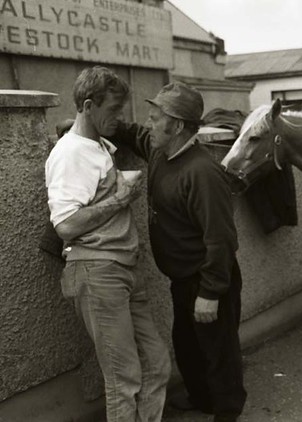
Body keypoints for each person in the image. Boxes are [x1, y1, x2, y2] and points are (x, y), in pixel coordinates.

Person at [107, 82, 246, 422]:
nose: (150, 124)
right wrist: (100, 122)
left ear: (178, 126)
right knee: (187, 345)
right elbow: (136, 135)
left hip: (209, 277)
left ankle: (227, 411)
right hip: (182, 278)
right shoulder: (160, 151)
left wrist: (211, 293)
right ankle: (202, 399)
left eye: (157, 119)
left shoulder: (203, 172)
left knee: (219, 351)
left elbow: (222, 238)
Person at [45, 66, 171, 422]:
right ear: (88, 105)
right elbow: (66, 225)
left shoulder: (96, 143)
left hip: (123, 267)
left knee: (157, 362)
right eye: (114, 110)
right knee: (123, 378)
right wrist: (121, 199)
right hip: (97, 270)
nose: (120, 118)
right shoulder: (70, 154)